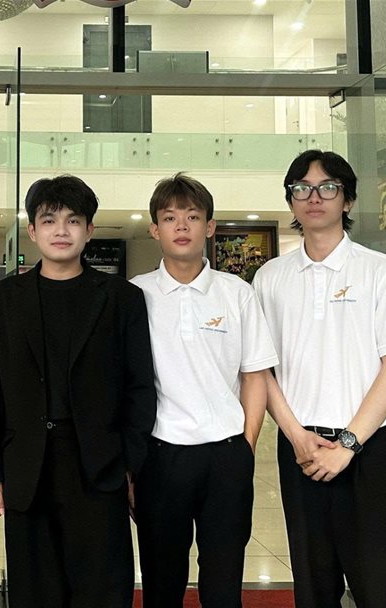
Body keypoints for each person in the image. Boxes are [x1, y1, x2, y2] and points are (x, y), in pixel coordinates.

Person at [0, 175, 157, 608]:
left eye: (73, 220)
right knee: (35, 590)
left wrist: (129, 463)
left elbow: (140, 386)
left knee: (103, 588)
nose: (61, 230)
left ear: (89, 230)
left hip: (98, 464)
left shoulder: (122, 298)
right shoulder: (2, 301)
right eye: (49, 220)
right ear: (32, 230)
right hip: (27, 465)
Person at [253, 150, 386, 608]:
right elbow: (262, 369)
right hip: (301, 449)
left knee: (381, 586)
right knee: (313, 585)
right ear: (290, 200)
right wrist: (295, 436)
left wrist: (348, 445)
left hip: (368, 447)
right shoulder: (269, 278)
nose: (314, 197)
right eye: (302, 188)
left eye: (328, 187)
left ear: (347, 200)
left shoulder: (379, 270)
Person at [130, 173, 277, 608]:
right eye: (169, 217)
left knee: (223, 583)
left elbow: (255, 375)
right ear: (154, 229)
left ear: (209, 227)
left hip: (225, 455)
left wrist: (245, 447)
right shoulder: (134, 295)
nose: (182, 226)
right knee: (161, 584)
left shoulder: (237, 293)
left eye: (193, 217)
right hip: (159, 456)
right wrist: (130, 466)